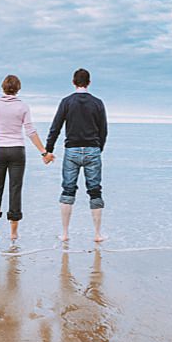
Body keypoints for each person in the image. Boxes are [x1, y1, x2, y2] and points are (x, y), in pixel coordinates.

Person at [0, 74, 52, 243]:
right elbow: (30, 131)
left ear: (3, 88)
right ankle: (13, 234)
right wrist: (44, 152)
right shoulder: (23, 107)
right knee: (15, 189)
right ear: (18, 89)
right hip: (17, 151)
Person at [45, 68, 107, 242]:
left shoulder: (66, 102)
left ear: (74, 82)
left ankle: (65, 234)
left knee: (68, 189)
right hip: (92, 149)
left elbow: (55, 127)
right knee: (95, 191)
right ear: (89, 82)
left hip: (71, 150)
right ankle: (97, 234)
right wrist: (97, 148)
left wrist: (49, 150)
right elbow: (103, 130)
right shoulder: (97, 103)